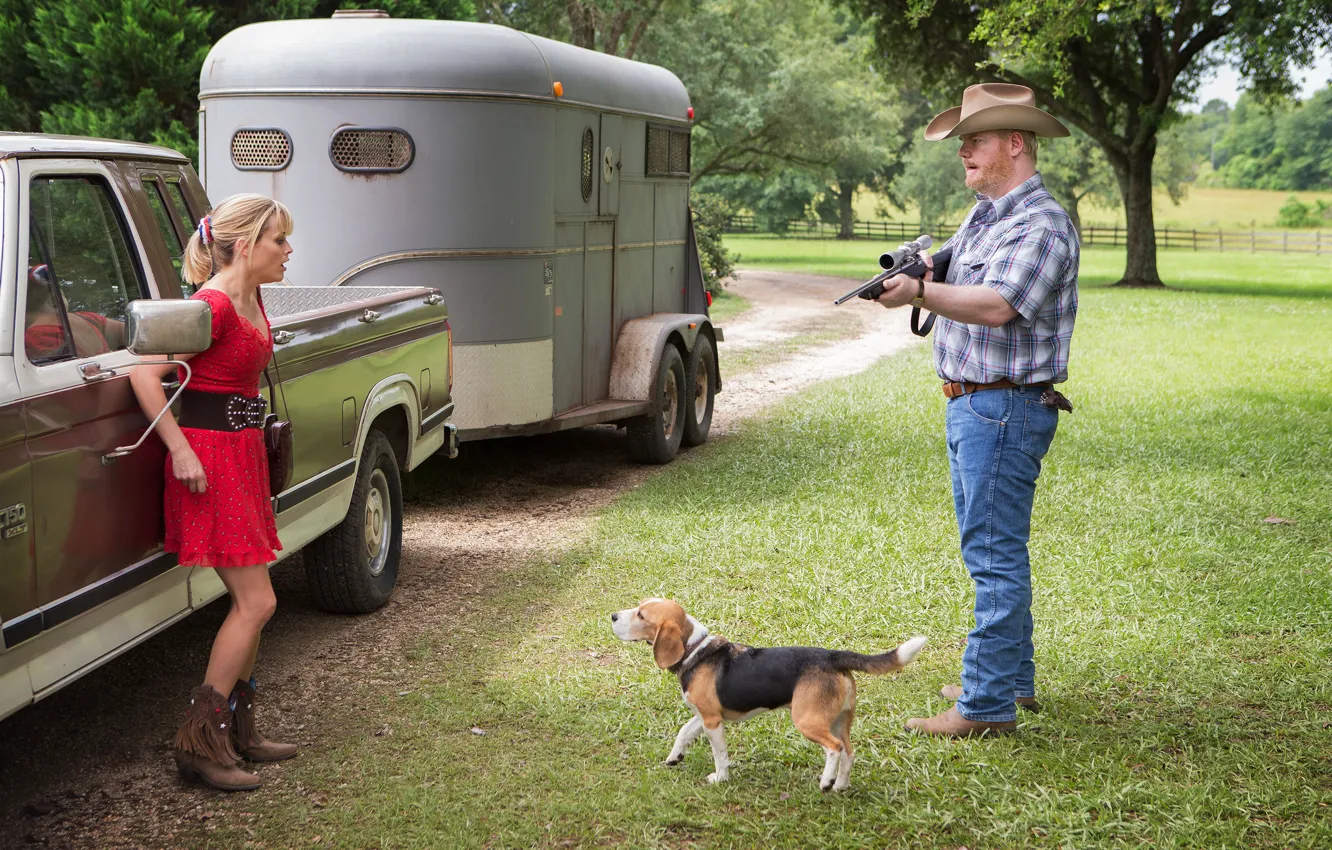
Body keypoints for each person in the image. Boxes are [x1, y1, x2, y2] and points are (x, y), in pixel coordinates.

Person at [873, 83, 1079, 737]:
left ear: (1014, 144)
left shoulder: (1041, 224)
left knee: (993, 558)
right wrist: (920, 267)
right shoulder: (985, 215)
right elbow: (954, 265)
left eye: (975, 139)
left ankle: (985, 706)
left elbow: (996, 304)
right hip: (978, 406)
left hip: (1004, 408)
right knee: (993, 551)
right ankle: (1010, 681)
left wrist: (922, 292)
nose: (962, 151)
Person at [130, 194, 297, 790]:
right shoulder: (213, 304)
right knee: (257, 603)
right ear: (247, 244)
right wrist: (180, 450)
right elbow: (144, 373)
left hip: (241, 455)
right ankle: (200, 743)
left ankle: (238, 733)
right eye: (279, 239)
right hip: (211, 461)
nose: (288, 250)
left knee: (257, 605)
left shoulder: (249, 298)